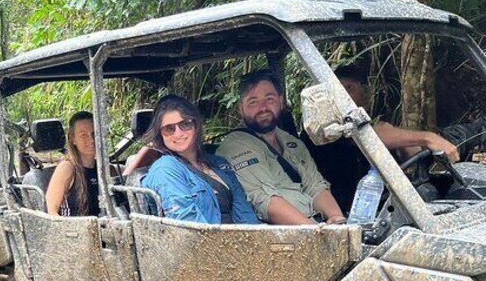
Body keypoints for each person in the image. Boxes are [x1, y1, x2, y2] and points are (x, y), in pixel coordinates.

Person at [306, 65, 461, 211]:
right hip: (342, 208)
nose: (344, 95)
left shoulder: (366, 124)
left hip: (375, 203)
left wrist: (403, 147)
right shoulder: (324, 129)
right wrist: (428, 138)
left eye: (349, 88)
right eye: (341, 89)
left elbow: (405, 152)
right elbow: (365, 136)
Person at [217, 69, 346, 225]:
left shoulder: (292, 142)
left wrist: (338, 221)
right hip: (277, 236)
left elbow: (315, 186)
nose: (262, 107)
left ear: (281, 101)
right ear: (241, 108)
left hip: (314, 226)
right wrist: (315, 232)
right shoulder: (236, 146)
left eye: (269, 99)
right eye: (253, 102)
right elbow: (265, 201)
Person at [141, 95, 259, 224]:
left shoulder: (219, 163)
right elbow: (188, 226)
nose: (178, 133)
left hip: (240, 239)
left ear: (196, 126)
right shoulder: (166, 169)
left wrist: (256, 241)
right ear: (160, 134)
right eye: (169, 129)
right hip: (205, 241)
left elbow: (245, 212)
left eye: (185, 124)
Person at [45, 111, 100, 216]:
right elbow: (52, 212)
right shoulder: (67, 168)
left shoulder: (104, 168)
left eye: (94, 133)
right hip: (74, 229)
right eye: (83, 135)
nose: (91, 140)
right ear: (73, 139)